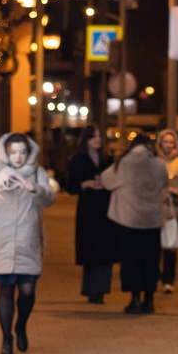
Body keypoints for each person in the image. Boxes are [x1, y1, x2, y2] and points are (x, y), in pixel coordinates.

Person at [0, 132, 60, 354]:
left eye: (22, 152)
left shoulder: (37, 172)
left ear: (29, 153)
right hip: (1, 239)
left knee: (27, 291)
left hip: (28, 240)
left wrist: (34, 188)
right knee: (6, 289)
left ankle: (21, 326)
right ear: (6, 153)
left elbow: (50, 198)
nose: (18, 157)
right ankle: (7, 338)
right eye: (13, 152)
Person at [105, 134, 168, 312]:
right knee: (151, 260)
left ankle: (135, 299)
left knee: (131, 261)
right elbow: (165, 182)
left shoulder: (124, 163)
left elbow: (106, 180)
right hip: (152, 221)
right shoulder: (159, 163)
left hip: (129, 220)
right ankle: (150, 299)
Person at [61, 128, 116, 303]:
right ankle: (92, 290)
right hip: (88, 208)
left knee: (106, 250)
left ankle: (102, 290)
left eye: (100, 136)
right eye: (94, 137)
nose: (98, 140)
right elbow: (70, 186)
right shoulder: (78, 160)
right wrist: (85, 184)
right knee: (91, 249)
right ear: (86, 140)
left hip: (106, 207)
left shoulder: (108, 159)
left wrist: (106, 184)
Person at [156, 130, 178, 291]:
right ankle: (155, 275)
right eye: (165, 142)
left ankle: (168, 280)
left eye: (171, 142)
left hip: (173, 208)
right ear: (160, 143)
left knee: (171, 245)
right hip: (156, 208)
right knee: (155, 245)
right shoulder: (155, 161)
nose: (168, 145)